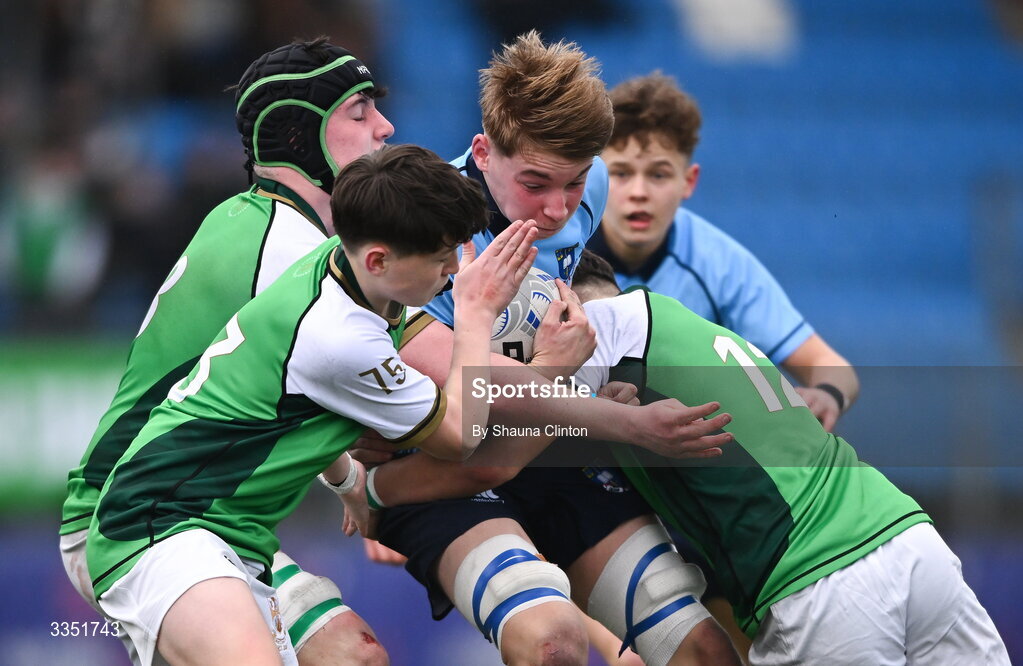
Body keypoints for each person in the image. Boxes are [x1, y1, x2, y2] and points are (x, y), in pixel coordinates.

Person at [85, 144, 540, 666]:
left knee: (357, 658)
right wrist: (482, 317)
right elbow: (467, 440)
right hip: (158, 520)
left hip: (229, 532)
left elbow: (287, 400)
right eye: (442, 260)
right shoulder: (338, 326)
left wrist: (348, 482)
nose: (454, 273)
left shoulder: (331, 266)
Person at [370, 32, 741, 666]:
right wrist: (600, 400)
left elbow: (588, 277)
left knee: (702, 649)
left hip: (549, 441)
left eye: (573, 184)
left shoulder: (585, 188)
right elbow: (474, 417)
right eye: (536, 182)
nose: (554, 208)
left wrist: (609, 370)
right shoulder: (415, 227)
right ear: (483, 153)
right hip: (446, 471)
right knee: (553, 643)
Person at [60, 37, 394, 664]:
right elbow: (446, 417)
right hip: (137, 514)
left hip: (199, 515)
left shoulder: (259, 224)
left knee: (355, 656)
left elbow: (289, 383)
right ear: (300, 137)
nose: (384, 127)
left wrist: (349, 478)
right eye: (359, 112)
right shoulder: (294, 251)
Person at [565, 249, 1011, 664]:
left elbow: (506, 439)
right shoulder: (683, 324)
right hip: (906, 535)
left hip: (819, 581)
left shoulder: (597, 325)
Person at [588, 72, 858, 432]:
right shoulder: (561, 249)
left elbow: (831, 365)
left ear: (689, 181)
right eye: (621, 173)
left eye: (659, 175)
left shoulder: (719, 263)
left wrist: (827, 394)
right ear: (596, 177)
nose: (639, 191)